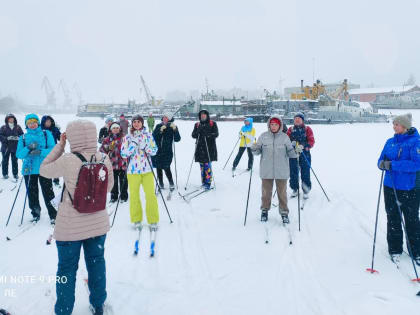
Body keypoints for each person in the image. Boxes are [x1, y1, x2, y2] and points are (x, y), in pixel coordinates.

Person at [40, 119, 114, 315]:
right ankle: (98, 305)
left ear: (72, 137)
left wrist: (60, 145)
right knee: (97, 264)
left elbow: (44, 169)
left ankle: (64, 311)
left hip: (70, 228)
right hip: (97, 224)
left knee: (66, 269)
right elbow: (110, 187)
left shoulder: (68, 160)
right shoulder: (104, 158)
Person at [377, 113, 420, 266]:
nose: (394, 126)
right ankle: (395, 249)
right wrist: (383, 164)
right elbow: (380, 160)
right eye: (393, 124)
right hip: (390, 186)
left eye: (397, 124)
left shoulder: (416, 142)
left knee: (412, 220)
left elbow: (417, 164)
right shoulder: (390, 142)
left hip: (410, 188)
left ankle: (416, 251)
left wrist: (393, 165)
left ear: (405, 126)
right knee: (393, 218)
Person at [252, 115, 297, 223]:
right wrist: (254, 148)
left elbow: (291, 154)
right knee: (266, 193)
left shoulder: (285, 137)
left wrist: (296, 150)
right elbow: (257, 152)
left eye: (275, 124)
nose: (273, 126)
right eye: (271, 124)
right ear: (269, 125)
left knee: (282, 193)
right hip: (266, 170)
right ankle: (264, 210)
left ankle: (284, 213)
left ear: (280, 125)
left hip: (281, 170)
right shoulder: (263, 136)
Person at [16, 114, 57, 224]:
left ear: (38, 123)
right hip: (29, 170)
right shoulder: (23, 137)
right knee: (32, 194)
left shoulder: (46, 133)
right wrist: (28, 148)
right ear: (26, 125)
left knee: (48, 193)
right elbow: (19, 154)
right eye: (29, 123)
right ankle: (35, 213)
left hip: (44, 167)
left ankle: (54, 215)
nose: (32, 125)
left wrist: (40, 152)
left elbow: (54, 150)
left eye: (34, 122)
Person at [121, 115, 159, 230]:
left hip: (147, 170)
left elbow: (154, 150)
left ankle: (153, 220)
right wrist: (133, 145)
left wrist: (145, 147)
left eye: (139, 122)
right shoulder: (127, 137)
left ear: (142, 123)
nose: (136, 124)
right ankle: (136, 220)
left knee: (150, 196)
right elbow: (123, 154)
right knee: (134, 196)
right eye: (134, 122)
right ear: (132, 124)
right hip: (133, 171)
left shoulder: (148, 135)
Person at [287, 112, 315, 199]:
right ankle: (295, 188)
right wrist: (291, 144)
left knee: (305, 171)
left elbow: (311, 140)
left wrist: (304, 146)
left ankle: (306, 189)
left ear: (302, 120)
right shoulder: (290, 129)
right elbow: (286, 140)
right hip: (293, 154)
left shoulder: (307, 129)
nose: (297, 120)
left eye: (299, 119)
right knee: (293, 171)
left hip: (304, 154)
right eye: (296, 119)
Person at [100, 122, 128, 203]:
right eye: (114, 128)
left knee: (124, 181)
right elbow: (101, 151)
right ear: (111, 129)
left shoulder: (124, 138)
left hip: (122, 164)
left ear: (119, 129)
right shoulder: (107, 139)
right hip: (112, 164)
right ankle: (114, 196)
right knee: (113, 182)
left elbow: (128, 149)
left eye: (117, 128)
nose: (115, 130)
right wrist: (108, 147)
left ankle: (124, 196)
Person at [152, 113, 181, 191]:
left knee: (166, 167)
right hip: (158, 151)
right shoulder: (158, 126)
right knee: (158, 168)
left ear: (170, 119)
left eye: (166, 118)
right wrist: (160, 131)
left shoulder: (173, 126)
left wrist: (175, 130)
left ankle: (171, 183)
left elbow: (177, 139)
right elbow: (153, 137)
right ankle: (161, 184)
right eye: (164, 117)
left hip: (167, 151)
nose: (165, 119)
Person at [191, 109, 219, 190]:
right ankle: (203, 181)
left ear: (207, 116)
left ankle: (208, 182)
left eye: (204, 115)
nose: (202, 116)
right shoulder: (197, 124)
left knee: (207, 166)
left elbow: (216, 134)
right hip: (200, 149)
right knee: (202, 167)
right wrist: (198, 132)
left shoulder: (212, 123)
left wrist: (208, 135)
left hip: (209, 148)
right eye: (201, 115)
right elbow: (193, 135)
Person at [0, 114, 23, 180]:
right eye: (9, 118)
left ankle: (15, 174)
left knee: (14, 161)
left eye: (12, 118)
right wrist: (7, 138)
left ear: (14, 119)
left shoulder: (18, 127)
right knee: (5, 161)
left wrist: (18, 138)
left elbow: (22, 135)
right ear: (7, 119)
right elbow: (0, 136)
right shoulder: (3, 127)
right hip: (6, 148)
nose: (11, 120)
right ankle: (5, 174)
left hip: (15, 147)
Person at [41, 115, 62, 186]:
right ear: (43, 122)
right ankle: (45, 178)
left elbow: (60, 138)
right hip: (44, 151)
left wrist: (61, 134)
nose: (48, 123)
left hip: (54, 150)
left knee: (56, 165)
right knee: (46, 165)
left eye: (50, 121)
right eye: (47, 122)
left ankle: (56, 179)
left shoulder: (54, 129)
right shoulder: (40, 130)